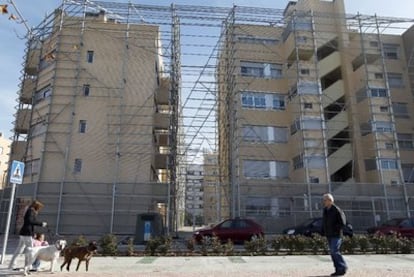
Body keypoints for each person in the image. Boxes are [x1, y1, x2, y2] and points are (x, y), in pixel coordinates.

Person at [8, 200, 47, 270]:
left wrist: (33, 232)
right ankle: (27, 267)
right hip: (27, 234)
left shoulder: (29, 210)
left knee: (19, 250)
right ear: (36, 206)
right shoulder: (31, 211)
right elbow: (30, 221)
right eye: (39, 208)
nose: (39, 209)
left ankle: (12, 265)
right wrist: (41, 224)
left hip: (24, 233)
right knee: (31, 251)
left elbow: (29, 222)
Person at [322, 193, 348, 276]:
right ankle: (338, 269)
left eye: (325, 200)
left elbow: (342, 222)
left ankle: (342, 267)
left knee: (334, 251)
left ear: (330, 200)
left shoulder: (336, 210)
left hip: (336, 235)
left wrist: (336, 229)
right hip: (329, 234)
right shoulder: (325, 210)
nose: (324, 202)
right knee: (333, 252)